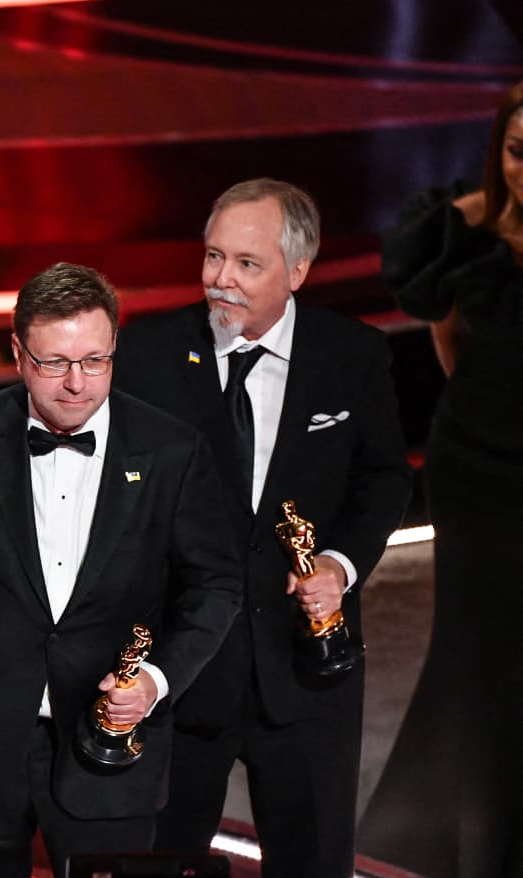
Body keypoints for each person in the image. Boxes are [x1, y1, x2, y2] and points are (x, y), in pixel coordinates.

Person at [0, 262, 244, 878]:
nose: (77, 384)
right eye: (55, 363)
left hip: (113, 753)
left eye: (95, 361)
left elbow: (215, 586)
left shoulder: (171, 450)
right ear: (19, 354)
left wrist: (156, 682)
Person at [113, 178, 412, 878]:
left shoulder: (351, 356)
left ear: (297, 271)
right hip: (177, 677)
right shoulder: (148, 355)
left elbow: (384, 478)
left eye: (247, 264)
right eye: (214, 257)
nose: (222, 279)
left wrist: (338, 563)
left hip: (305, 674)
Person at [356, 80, 523, 878]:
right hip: (478, 468)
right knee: (479, 649)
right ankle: (475, 845)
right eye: (519, 154)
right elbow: (449, 341)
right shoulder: (461, 231)